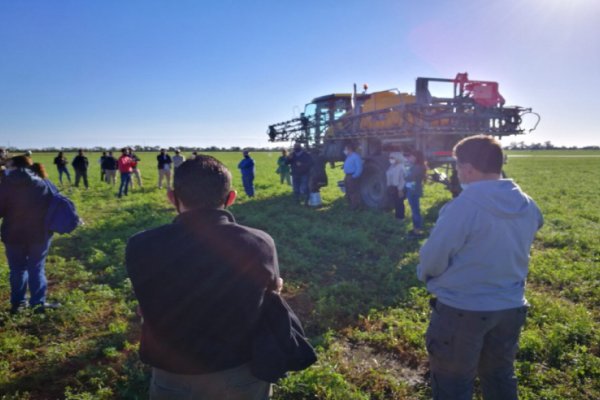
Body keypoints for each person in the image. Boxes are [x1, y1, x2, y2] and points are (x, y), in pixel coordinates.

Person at [126, 155, 281, 399]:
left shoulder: (139, 245)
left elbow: (144, 307)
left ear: (172, 198)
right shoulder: (260, 243)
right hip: (241, 371)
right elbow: (271, 294)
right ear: (230, 198)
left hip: (171, 374)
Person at [417, 135, 543, 400]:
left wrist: (427, 276)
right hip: (511, 306)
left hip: (462, 310)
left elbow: (434, 257)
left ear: (469, 168)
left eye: (459, 166)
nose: (458, 172)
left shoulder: (463, 206)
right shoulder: (528, 205)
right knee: (500, 376)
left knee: (453, 383)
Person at [0, 156, 58, 314]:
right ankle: (38, 304)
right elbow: (54, 203)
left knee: (17, 269)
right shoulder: (43, 182)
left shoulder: (5, 184)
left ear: (15, 166)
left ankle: (18, 303)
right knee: (36, 268)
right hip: (39, 234)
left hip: (13, 234)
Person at [405, 149, 426, 236]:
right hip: (412, 190)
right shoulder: (416, 166)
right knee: (415, 210)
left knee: (415, 211)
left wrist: (404, 174)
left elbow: (409, 178)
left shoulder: (418, 167)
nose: (409, 158)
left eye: (411, 157)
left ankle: (417, 231)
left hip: (414, 191)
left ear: (416, 158)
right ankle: (415, 229)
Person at [342, 142, 363, 210]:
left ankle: (355, 206)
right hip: (347, 176)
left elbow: (359, 167)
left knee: (353, 191)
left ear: (349, 149)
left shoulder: (356, 156)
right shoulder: (348, 157)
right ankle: (350, 205)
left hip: (352, 176)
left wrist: (354, 176)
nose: (344, 151)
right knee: (348, 191)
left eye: (345, 149)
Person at [386, 152, 406, 221]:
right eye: (390, 158)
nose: (390, 159)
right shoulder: (392, 166)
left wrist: (400, 189)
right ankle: (397, 217)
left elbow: (402, 179)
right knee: (396, 202)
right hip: (393, 187)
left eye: (392, 158)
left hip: (399, 187)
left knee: (399, 202)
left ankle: (401, 217)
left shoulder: (401, 167)